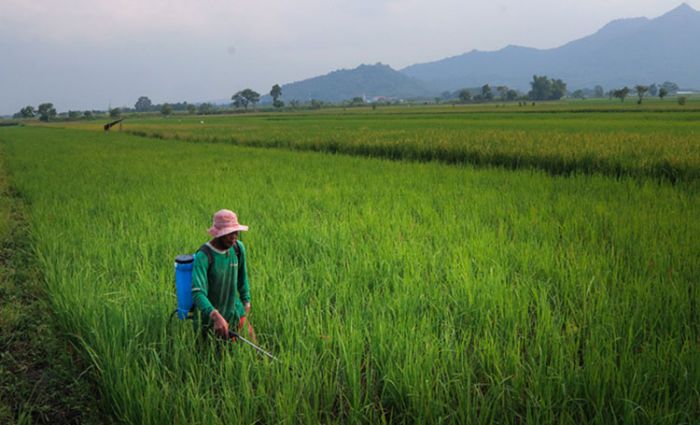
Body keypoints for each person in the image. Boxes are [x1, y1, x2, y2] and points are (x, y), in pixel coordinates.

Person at [192, 209, 256, 342]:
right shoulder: (204, 256)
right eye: (229, 233)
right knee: (215, 355)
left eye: (236, 232)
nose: (234, 236)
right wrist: (215, 316)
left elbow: (242, 279)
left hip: (233, 308)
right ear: (218, 234)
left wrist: (246, 302)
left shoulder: (237, 248)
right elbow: (198, 293)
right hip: (210, 314)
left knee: (251, 340)